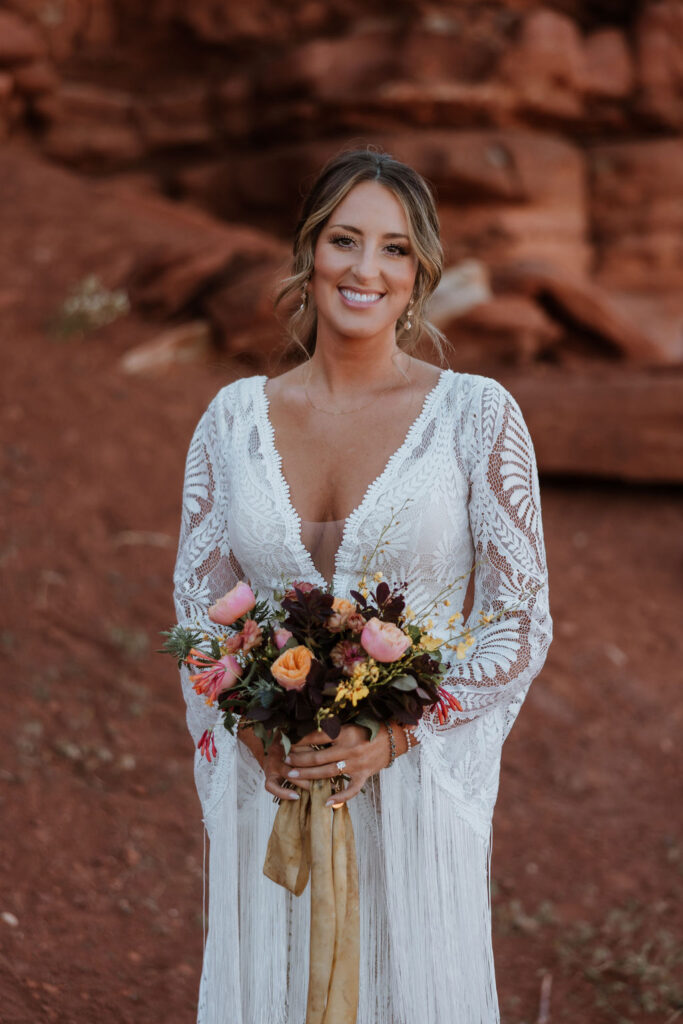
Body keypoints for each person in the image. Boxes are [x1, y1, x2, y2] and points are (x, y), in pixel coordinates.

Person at [173, 147, 553, 1024]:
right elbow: (199, 609)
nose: (365, 269)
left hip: (415, 790)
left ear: (418, 271)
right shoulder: (232, 421)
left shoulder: (476, 414)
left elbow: (517, 615)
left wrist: (403, 730)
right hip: (276, 790)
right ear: (310, 253)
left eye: (391, 248)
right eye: (345, 240)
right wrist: (249, 728)